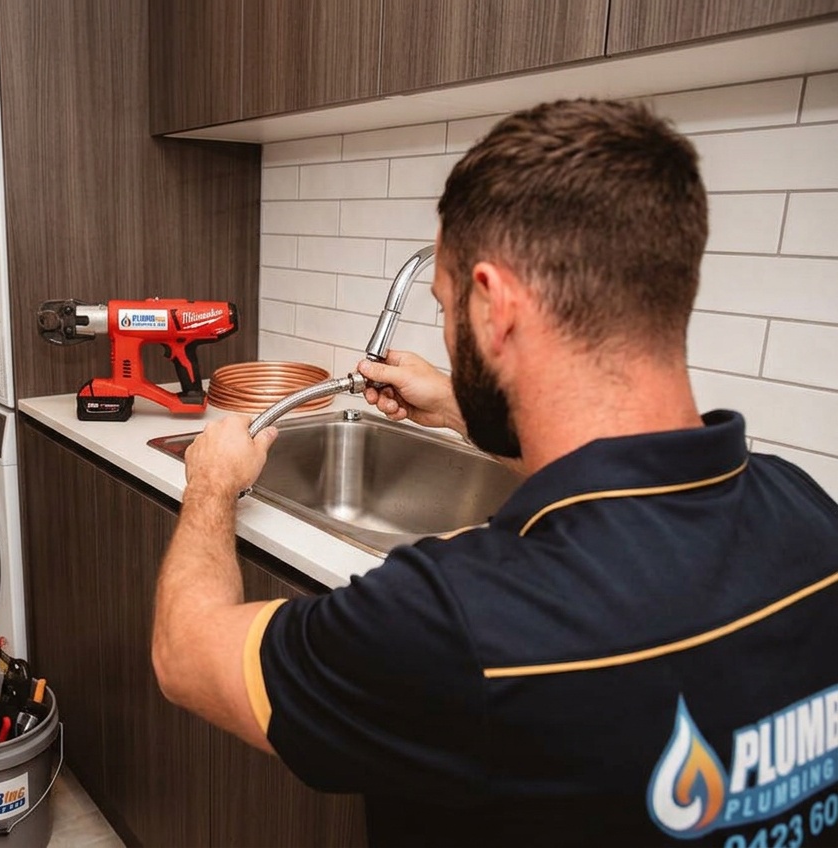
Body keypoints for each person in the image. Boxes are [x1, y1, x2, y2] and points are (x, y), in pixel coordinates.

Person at [150, 98, 838, 847]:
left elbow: (188, 655)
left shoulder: (456, 623)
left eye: (447, 307)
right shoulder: (806, 514)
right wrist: (459, 406)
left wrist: (211, 484)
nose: (448, 333)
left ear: (495, 306)